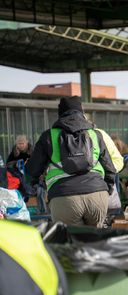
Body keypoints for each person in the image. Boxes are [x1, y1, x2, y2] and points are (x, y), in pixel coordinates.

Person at [26, 96, 117, 227]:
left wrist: (36, 186)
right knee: (95, 242)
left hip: (63, 197)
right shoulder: (95, 134)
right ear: (82, 112)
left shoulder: (49, 136)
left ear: (60, 114)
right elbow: (110, 168)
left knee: (70, 244)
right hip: (97, 194)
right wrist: (105, 189)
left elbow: (31, 170)